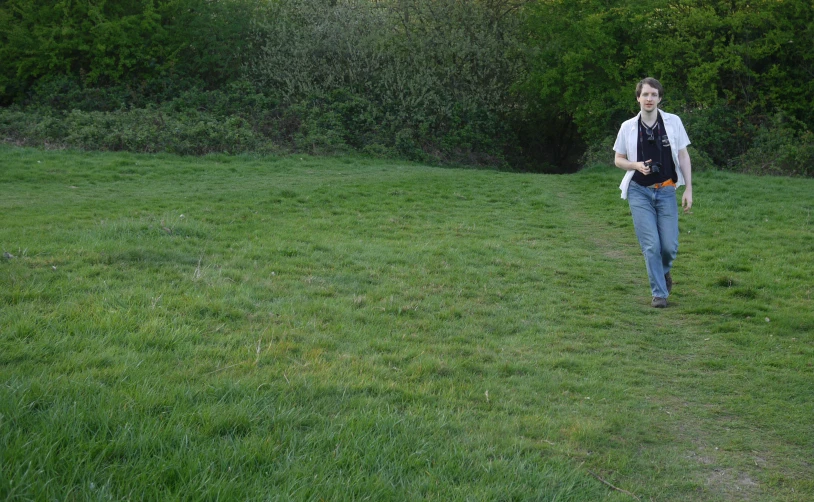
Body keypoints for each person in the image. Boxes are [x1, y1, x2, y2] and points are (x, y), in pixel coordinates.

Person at [613, 77, 693, 308]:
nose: (649, 99)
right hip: (639, 192)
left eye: (654, 95)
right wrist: (635, 165)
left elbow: (683, 155)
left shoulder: (673, 122)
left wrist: (688, 188)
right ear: (638, 97)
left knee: (668, 247)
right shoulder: (628, 126)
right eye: (645, 94)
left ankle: (663, 271)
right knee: (651, 246)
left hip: (667, 190)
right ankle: (659, 293)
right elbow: (618, 159)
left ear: (660, 98)